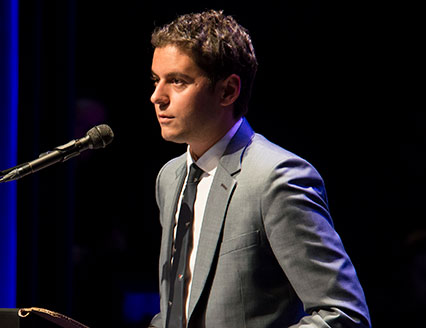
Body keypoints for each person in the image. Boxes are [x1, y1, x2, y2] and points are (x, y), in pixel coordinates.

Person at [148, 10, 371, 328]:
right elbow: (179, 312)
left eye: (178, 81)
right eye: (157, 80)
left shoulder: (277, 178)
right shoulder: (169, 178)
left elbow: (344, 315)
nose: (157, 96)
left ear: (228, 91)